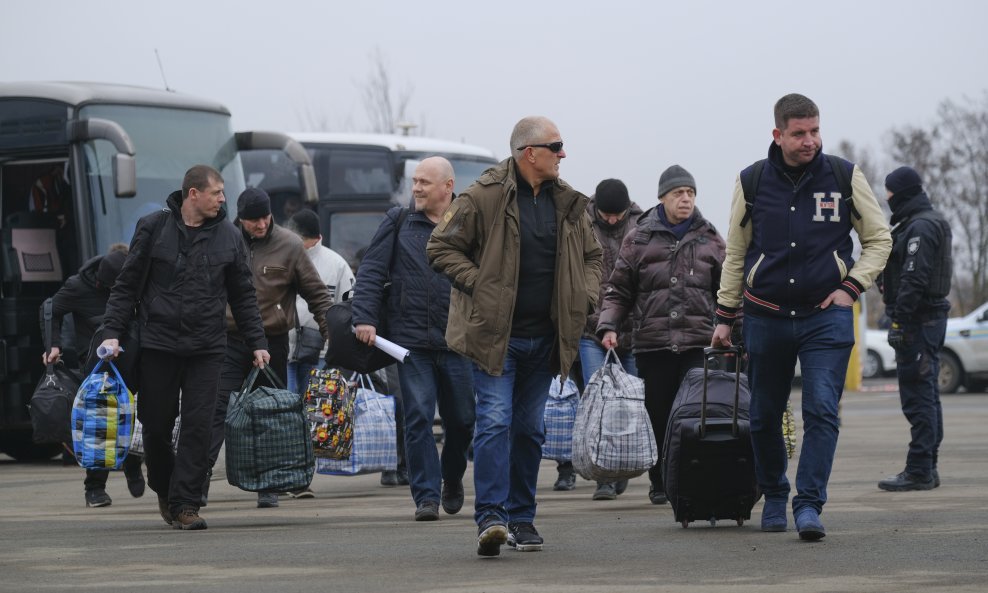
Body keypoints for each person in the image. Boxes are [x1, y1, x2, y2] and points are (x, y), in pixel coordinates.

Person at [711, 94, 892, 541]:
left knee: (822, 412)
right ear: (778, 134)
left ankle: (809, 505)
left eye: (815, 130)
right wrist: (724, 314)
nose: (809, 140)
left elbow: (880, 239)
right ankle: (774, 493)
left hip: (825, 316)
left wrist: (851, 287)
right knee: (764, 415)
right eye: (799, 133)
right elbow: (736, 253)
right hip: (765, 316)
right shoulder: (752, 181)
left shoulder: (844, 176)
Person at [427, 116, 602, 556]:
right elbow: (440, 247)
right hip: (494, 338)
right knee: (494, 421)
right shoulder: (482, 196)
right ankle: (490, 517)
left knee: (529, 430)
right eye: (556, 146)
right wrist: (481, 286)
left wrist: (585, 295)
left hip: (546, 339)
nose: (563, 154)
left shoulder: (568, 203)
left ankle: (522, 518)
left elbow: (594, 256)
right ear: (530, 152)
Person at [99, 165, 270, 531]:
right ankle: (164, 486)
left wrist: (257, 342)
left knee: (200, 428)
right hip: (158, 345)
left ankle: (186, 504)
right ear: (193, 194)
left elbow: (243, 295)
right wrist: (111, 332)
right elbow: (127, 285)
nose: (223, 199)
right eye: (217, 192)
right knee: (156, 426)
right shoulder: (153, 227)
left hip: (207, 348)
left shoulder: (229, 236)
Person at [353, 156, 476, 522]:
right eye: (415, 181)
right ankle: (425, 495)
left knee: (463, 420)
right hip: (411, 344)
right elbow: (372, 270)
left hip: (458, 341)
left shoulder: (470, 224)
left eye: (424, 182)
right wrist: (364, 317)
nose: (417, 188)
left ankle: (451, 477)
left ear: (447, 187)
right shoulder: (399, 220)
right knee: (418, 415)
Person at [597, 166, 725, 505]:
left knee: (696, 413)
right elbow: (618, 289)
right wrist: (609, 325)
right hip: (653, 345)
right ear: (662, 198)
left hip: (698, 342)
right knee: (658, 414)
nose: (685, 199)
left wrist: (737, 331)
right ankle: (659, 479)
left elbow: (727, 292)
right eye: (678, 193)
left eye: (690, 193)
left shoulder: (710, 238)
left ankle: (689, 476)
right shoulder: (638, 238)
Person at [205, 188, 333, 508]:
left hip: (272, 342)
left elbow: (317, 295)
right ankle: (197, 483)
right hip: (229, 340)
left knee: (270, 415)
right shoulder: (222, 239)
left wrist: (333, 334)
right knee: (214, 410)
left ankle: (269, 485)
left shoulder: (289, 244)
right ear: (240, 218)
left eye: (265, 217)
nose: (261, 224)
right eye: (252, 220)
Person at [43, 245, 145, 508]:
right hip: (96, 364)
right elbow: (50, 309)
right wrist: (52, 345)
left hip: (133, 356)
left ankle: (133, 463)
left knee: (138, 416)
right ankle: (95, 488)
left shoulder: (135, 280)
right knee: (100, 421)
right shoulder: (79, 286)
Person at [877, 166, 952, 492]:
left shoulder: (921, 226)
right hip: (928, 319)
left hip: (918, 321)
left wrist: (899, 321)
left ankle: (920, 469)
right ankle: (927, 466)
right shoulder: (923, 221)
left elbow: (914, 278)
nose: (888, 201)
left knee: (918, 396)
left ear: (902, 193)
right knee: (927, 395)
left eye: (890, 195)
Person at [571, 178, 643, 501]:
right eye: (606, 214)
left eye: (618, 215)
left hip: (632, 331)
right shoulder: (579, 225)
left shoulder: (641, 227)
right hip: (590, 330)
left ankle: (622, 466)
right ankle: (602, 476)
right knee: (597, 400)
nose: (612, 220)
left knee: (629, 404)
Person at [285, 208, 355, 394]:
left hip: (321, 352)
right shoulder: (282, 258)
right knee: (285, 409)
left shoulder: (337, 265)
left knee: (315, 409)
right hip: (284, 350)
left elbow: (350, 305)